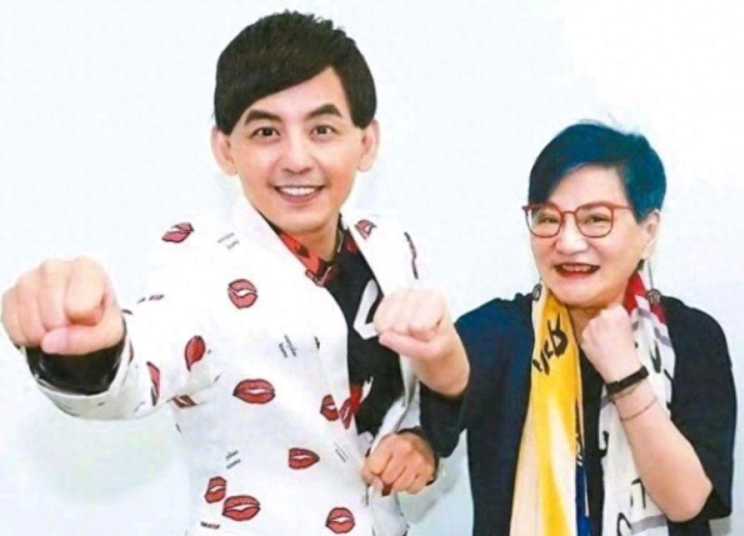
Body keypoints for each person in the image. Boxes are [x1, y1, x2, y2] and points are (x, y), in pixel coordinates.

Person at [1, 11, 459, 536]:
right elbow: (142, 366)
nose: (296, 158)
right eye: (266, 132)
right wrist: (87, 354)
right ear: (225, 150)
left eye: (322, 130)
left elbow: (420, 387)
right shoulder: (198, 262)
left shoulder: (391, 246)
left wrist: (421, 441)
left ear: (366, 143)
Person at [375, 122, 736, 535]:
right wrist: (431, 360)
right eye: (547, 218)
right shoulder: (504, 331)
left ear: (648, 231)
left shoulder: (692, 337)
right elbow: (450, 382)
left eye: (595, 219)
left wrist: (626, 376)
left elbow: (687, 501)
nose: (567, 242)